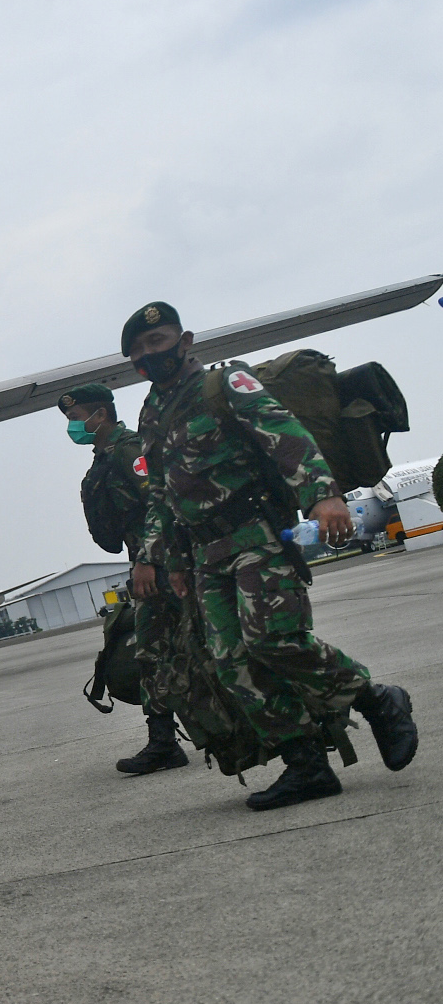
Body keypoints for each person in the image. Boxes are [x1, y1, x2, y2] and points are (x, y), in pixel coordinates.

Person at [124, 302, 418, 808]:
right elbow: (163, 492)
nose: (152, 354)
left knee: (275, 640)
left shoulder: (223, 385)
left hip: (254, 535)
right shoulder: (152, 414)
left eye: (159, 341)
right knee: (230, 662)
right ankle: (305, 765)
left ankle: (374, 697)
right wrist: (169, 559)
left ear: (185, 340)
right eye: (140, 351)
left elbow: (284, 433)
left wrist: (323, 495)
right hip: (203, 554)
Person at [60, 382, 189, 775]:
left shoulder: (130, 450)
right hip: (148, 569)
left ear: (100, 415)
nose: (72, 427)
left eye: (75, 418)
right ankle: (164, 743)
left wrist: (149, 560)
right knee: (150, 650)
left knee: (208, 645)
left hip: (169, 565)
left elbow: (161, 502)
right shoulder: (105, 458)